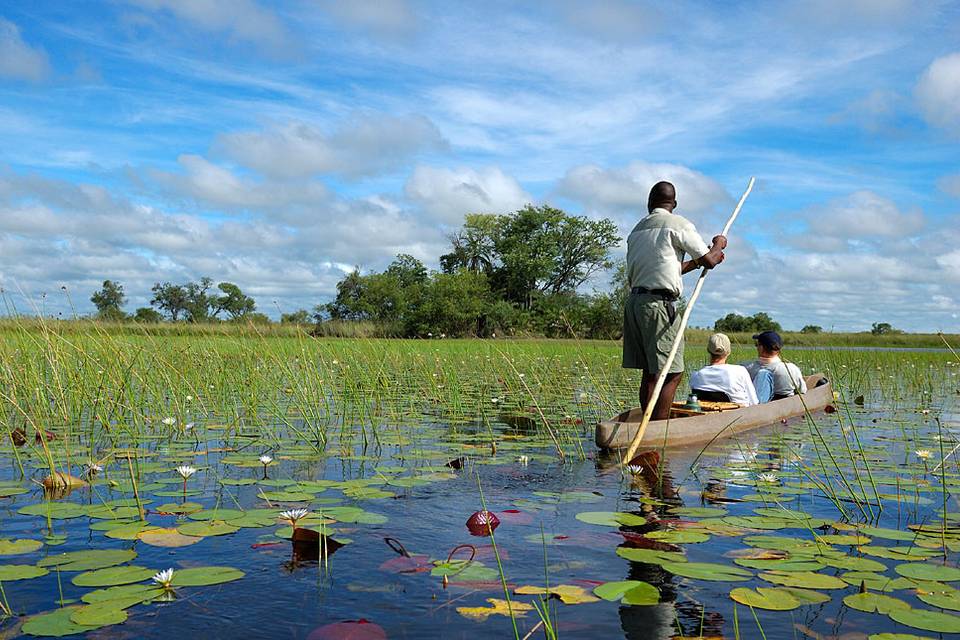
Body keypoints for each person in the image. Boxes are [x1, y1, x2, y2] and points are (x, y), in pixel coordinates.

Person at [622, 181, 727, 419]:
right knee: (671, 372)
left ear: (649, 204)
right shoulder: (678, 224)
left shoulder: (637, 230)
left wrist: (704, 259)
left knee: (651, 371)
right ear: (674, 204)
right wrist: (718, 244)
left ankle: (648, 423)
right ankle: (658, 426)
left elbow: (670, 268)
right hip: (659, 306)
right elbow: (709, 260)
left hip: (635, 304)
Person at [689, 333, 759, 406]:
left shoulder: (695, 375)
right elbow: (754, 402)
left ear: (708, 350)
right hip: (738, 414)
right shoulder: (740, 371)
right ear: (728, 352)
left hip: (708, 414)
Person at [741, 330, 807, 402]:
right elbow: (802, 391)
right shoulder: (792, 369)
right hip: (786, 406)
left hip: (758, 407)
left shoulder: (745, 368)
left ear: (761, 348)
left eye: (757, 344)